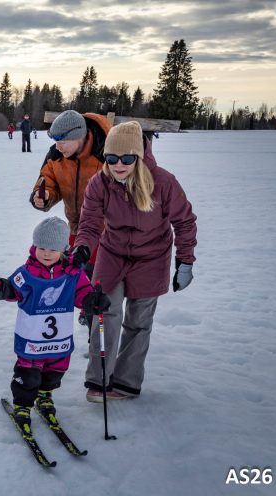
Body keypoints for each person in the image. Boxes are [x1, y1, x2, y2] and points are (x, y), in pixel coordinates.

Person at [72, 121, 197, 402]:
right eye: (111, 158)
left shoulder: (163, 182)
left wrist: (185, 261)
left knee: (138, 322)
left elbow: (185, 222)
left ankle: (126, 383)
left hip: (151, 257)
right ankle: (99, 379)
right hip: (112, 254)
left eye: (126, 158)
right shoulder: (100, 183)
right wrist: (82, 248)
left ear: (138, 157)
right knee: (105, 314)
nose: (118, 165)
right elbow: (91, 223)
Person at [0, 217, 107, 431]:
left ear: (64, 249)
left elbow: (83, 294)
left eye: (52, 248)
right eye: (41, 247)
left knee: (55, 372)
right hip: (32, 339)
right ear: (34, 246)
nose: (46, 253)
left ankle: (44, 395)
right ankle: (22, 404)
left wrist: (92, 301)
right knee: (28, 374)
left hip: (60, 341)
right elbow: (13, 289)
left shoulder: (73, 275)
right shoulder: (26, 273)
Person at [30, 110, 110, 274]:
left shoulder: (106, 153)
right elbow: (47, 180)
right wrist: (43, 196)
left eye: (62, 140)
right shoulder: (56, 155)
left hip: (105, 234)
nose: (57, 146)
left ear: (78, 136)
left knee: (96, 285)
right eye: (54, 140)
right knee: (72, 281)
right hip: (75, 230)